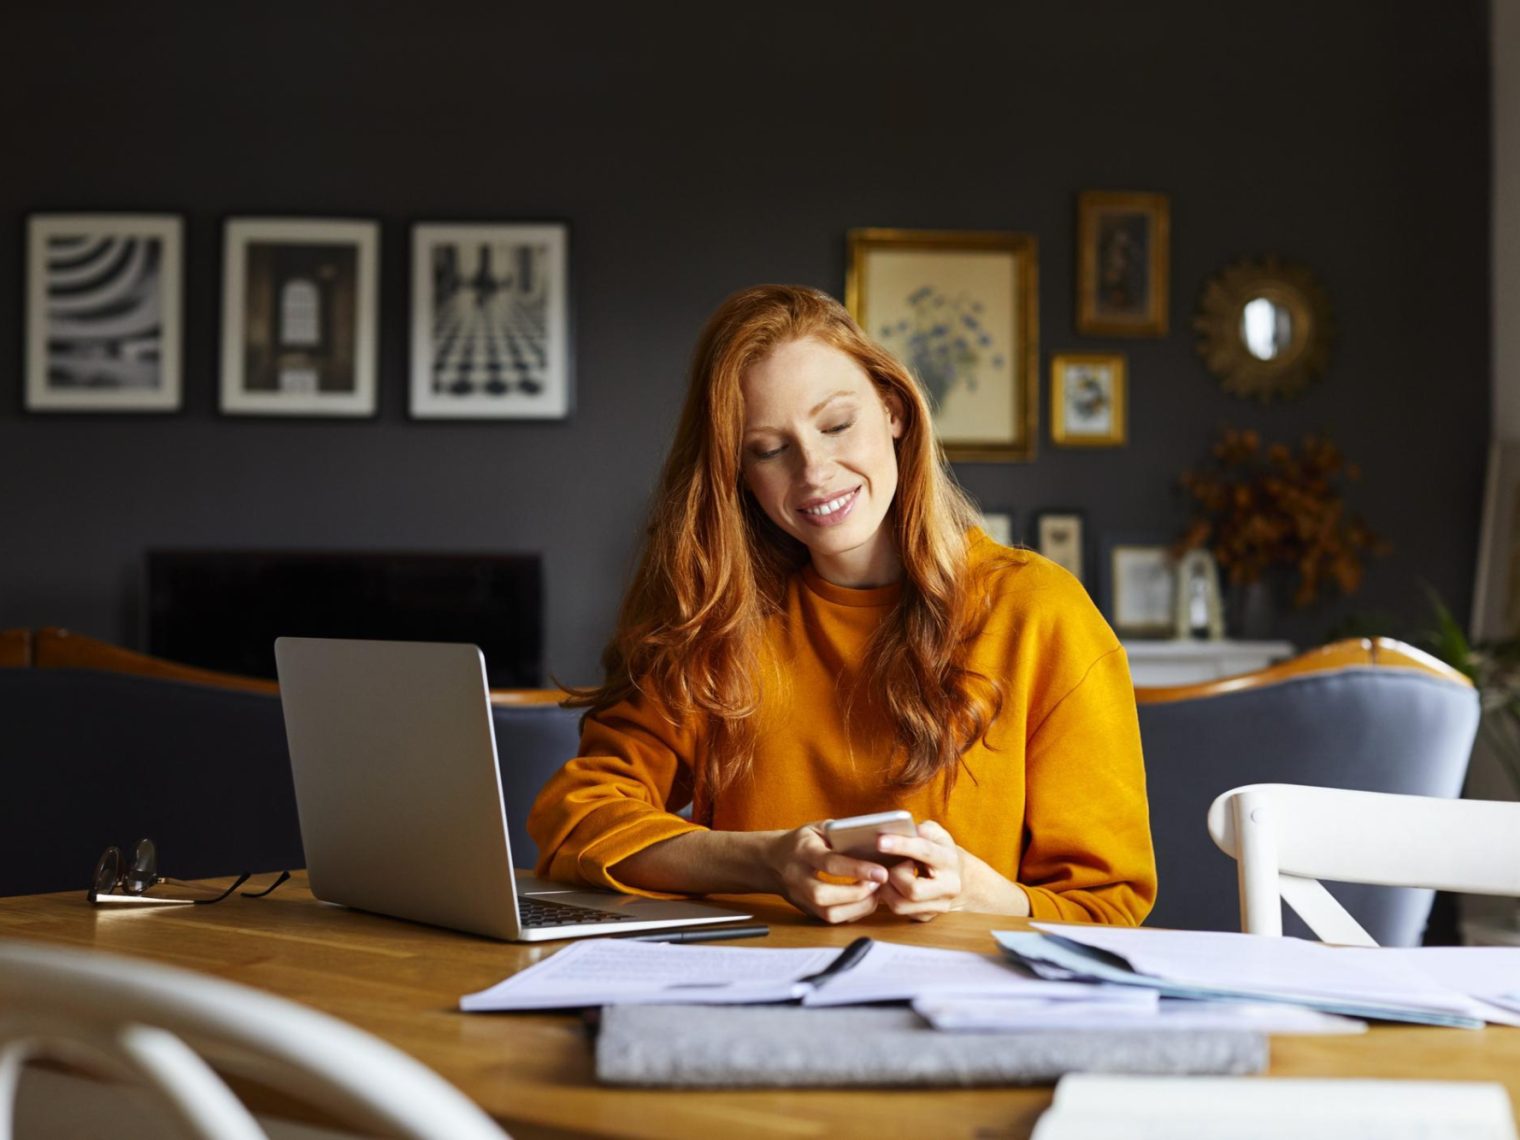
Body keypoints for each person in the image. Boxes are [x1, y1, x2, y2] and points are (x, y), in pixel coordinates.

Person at [528, 285, 1155, 925]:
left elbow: (1107, 906)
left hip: (965, 1003)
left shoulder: (1037, 612)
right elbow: (579, 819)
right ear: (738, 473)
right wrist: (768, 861)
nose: (815, 471)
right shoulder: (722, 618)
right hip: (754, 996)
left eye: (835, 425)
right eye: (769, 450)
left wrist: (971, 889)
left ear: (894, 411)